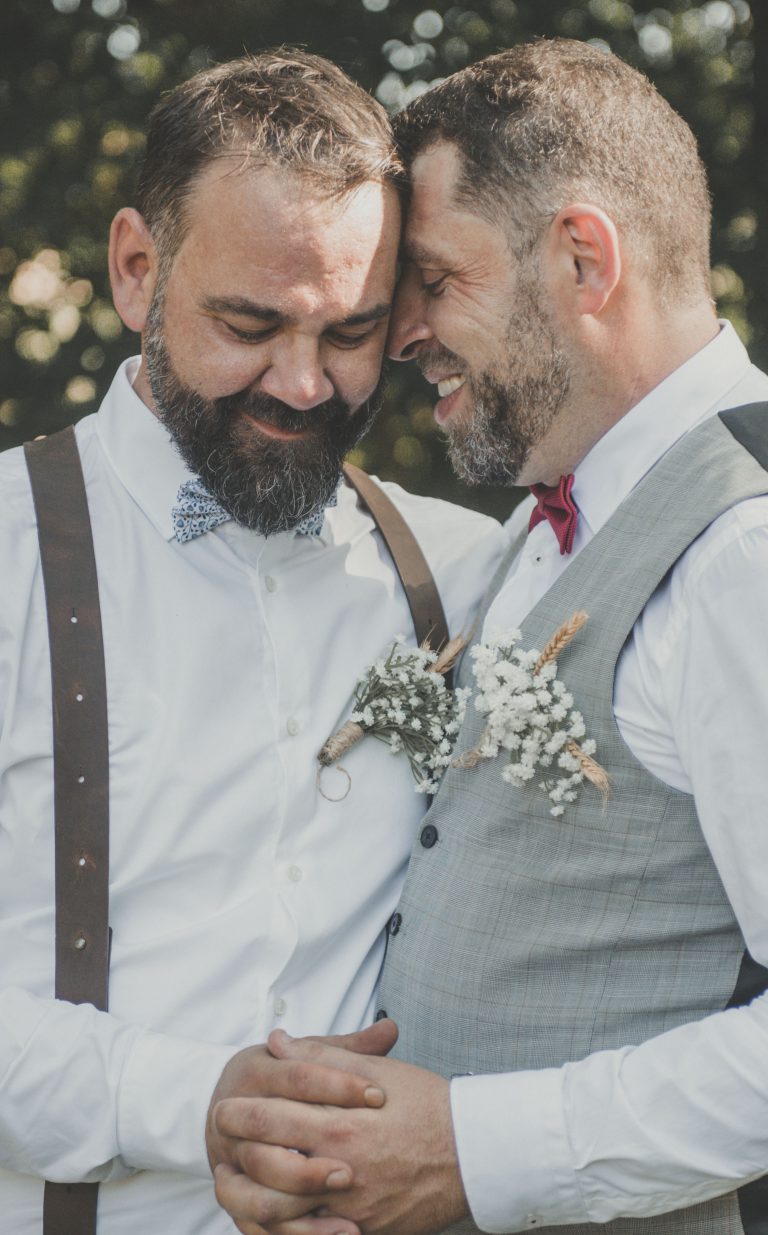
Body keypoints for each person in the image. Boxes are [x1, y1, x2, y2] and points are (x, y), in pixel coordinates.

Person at [208, 39, 768, 1235]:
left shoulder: (744, 551)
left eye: (437, 278)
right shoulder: (545, 517)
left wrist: (472, 1149)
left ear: (583, 260)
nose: (399, 331)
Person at [0, 49, 506, 1235]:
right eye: (250, 323)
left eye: (352, 331)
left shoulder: (468, 573)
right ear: (138, 270)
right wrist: (194, 1100)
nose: (305, 384)